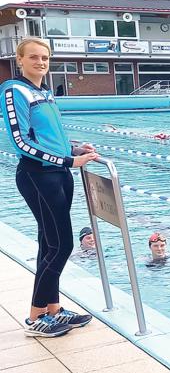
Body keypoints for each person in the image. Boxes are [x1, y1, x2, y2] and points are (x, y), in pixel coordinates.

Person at [3, 38, 98, 337]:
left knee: (49, 243)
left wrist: (75, 147)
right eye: (33, 57)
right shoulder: (13, 90)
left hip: (58, 174)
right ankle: (35, 317)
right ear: (19, 60)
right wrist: (69, 160)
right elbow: (21, 142)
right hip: (38, 175)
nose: (41, 62)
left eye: (45, 57)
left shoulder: (44, 92)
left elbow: (48, 137)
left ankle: (53, 309)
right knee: (62, 245)